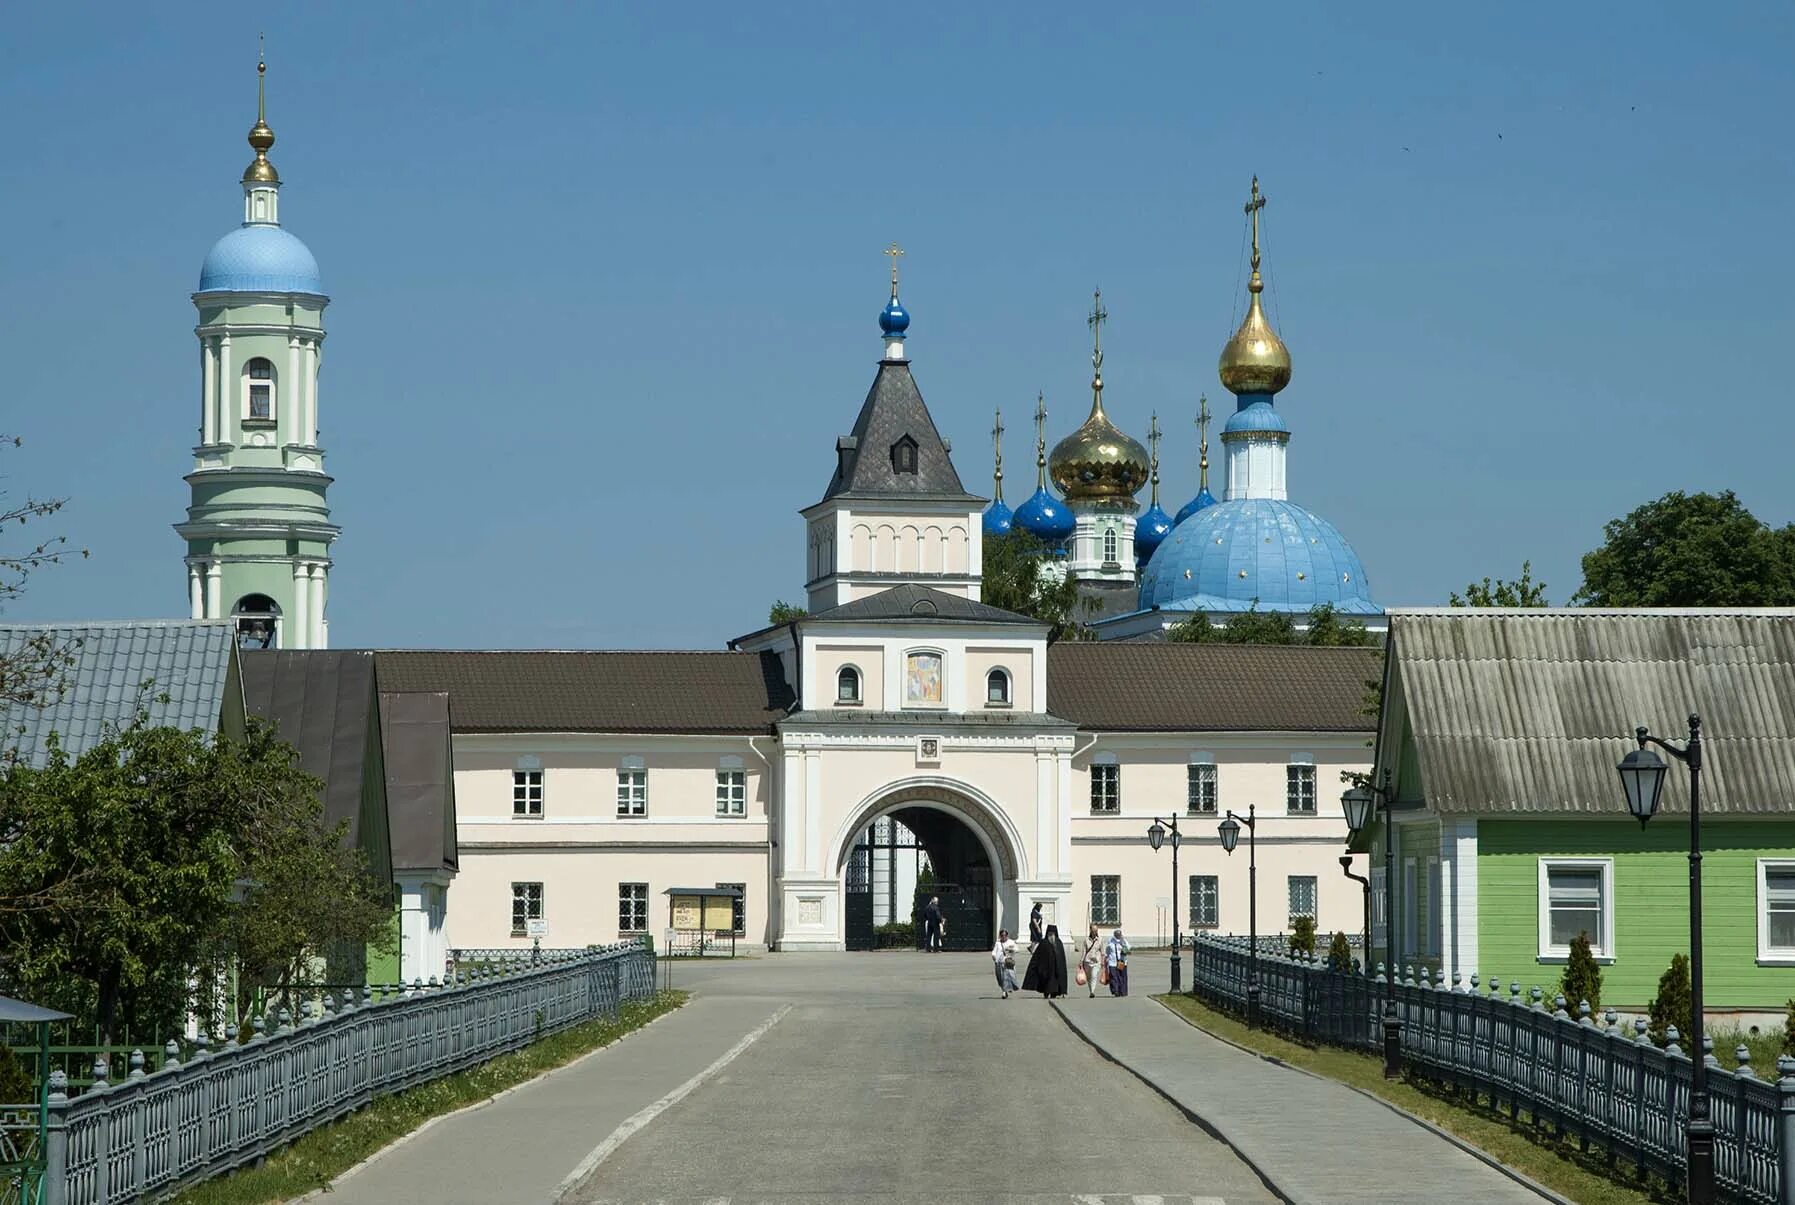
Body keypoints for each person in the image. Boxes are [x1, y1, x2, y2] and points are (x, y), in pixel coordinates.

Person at [1021, 923, 1068, 998]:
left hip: (1056, 969)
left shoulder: (1059, 943)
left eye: (1052, 934)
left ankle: (1054, 994)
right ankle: (1046, 994)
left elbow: (1062, 958)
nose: (1051, 935)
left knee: (1055, 983)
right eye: (1049, 934)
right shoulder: (1044, 942)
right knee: (1047, 984)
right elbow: (1037, 956)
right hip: (1046, 969)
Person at [992, 929, 1020, 998]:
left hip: (1008, 963)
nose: (1003, 937)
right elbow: (994, 952)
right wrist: (994, 957)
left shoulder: (1011, 942)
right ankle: (1005, 990)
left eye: (1005, 935)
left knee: (1006, 978)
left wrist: (1010, 949)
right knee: (1000, 978)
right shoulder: (998, 943)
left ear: (1007, 936)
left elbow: (1017, 949)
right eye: (1002, 935)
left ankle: (1004, 992)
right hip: (999, 963)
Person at [1105, 928, 1132, 997]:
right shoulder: (1110, 941)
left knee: (1122, 977)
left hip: (1121, 962)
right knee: (1113, 977)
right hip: (1112, 962)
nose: (1118, 936)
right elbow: (1107, 950)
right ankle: (1116, 991)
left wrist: (1123, 944)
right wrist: (1106, 958)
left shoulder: (1123, 940)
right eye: (1117, 934)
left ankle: (1123, 992)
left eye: (1119, 934)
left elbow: (1129, 948)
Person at [1081, 926, 1104, 998]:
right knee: (1089, 977)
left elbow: (1102, 952)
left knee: (1094, 976)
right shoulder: (1086, 940)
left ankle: (1092, 992)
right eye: (1093, 930)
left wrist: (1103, 961)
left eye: (1096, 930)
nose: (1095, 932)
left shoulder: (1100, 940)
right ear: (1090, 930)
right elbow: (1084, 951)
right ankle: (1090, 989)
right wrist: (1081, 961)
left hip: (1096, 961)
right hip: (1087, 961)